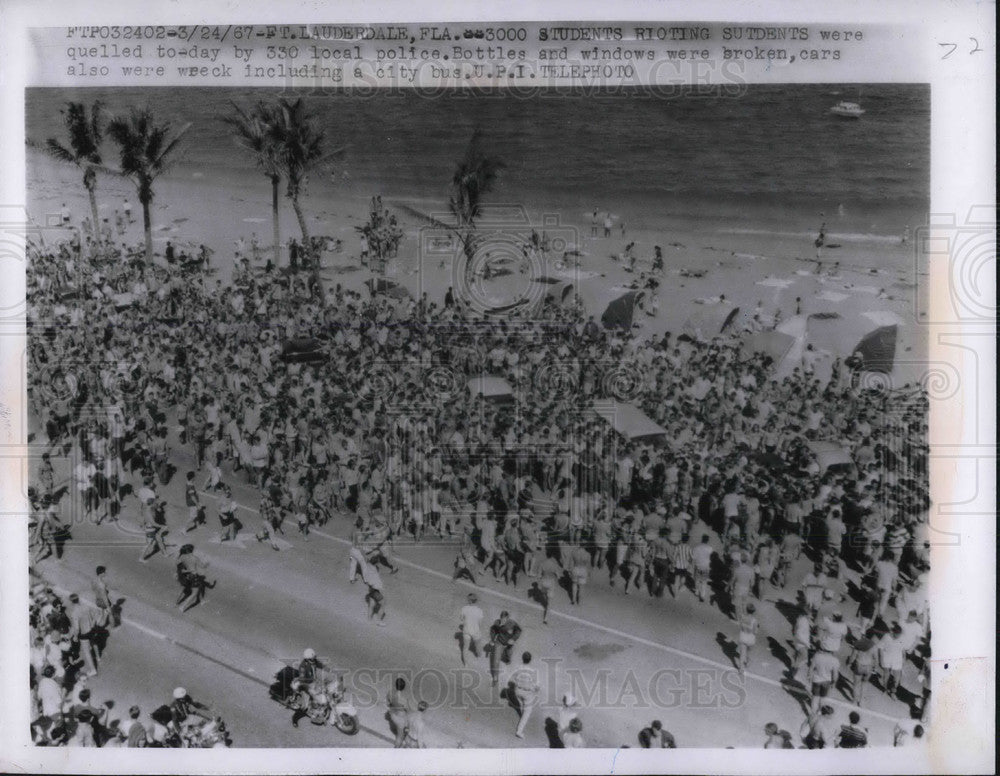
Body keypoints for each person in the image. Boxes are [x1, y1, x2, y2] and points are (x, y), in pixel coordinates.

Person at [291, 648, 325, 727]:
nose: (314, 659)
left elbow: (319, 664)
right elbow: (302, 679)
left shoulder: (313, 661)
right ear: (308, 659)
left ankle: (318, 708)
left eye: (314, 657)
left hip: (313, 682)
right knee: (304, 707)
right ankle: (294, 719)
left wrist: (329, 669)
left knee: (323, 692)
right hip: (305, 685)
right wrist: (310, 687)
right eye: (313, 658)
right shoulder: (303, 667)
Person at [488, 611, 522, 686]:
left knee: (508, 655)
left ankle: (508, 659)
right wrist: (492, 640)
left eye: (504, 619)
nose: (502, 621)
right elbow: (493, 631)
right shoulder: (497, 623)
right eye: (501, 619)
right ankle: (495, 679)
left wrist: (513, 639)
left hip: (509, 644)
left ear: (507, 618)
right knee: (496, 660)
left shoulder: (512, 623)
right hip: (499, 642)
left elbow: (518, 631)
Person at [176, 544, 213, 611]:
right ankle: (182, 606)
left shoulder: (182, 556)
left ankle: (202, 601)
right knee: (194, 593)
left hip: (187, 576)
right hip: (194, 576)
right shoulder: (195, 558)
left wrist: (186, 570)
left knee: (200, 585)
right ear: (191, 550)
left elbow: (177, 564)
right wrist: (207, 563)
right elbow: (202, 566)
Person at [511, 651, 539, 739]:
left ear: (522, 659)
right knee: (527, 711)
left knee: (523, 702)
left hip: (517, 691)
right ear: (530, 660)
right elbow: (537, 685)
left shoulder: (518, 668)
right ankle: (519, 731)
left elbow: (514, 678)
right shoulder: (533, 671)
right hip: (527, 694)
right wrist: (535, 690)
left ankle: (523, 707)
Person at [386, 677, 413, 747]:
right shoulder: (402, 699)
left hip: (392, 715)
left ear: (395, 685)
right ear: (403, 688)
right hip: (400, 719)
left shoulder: (390, 693)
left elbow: (388, 703)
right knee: (399, 737)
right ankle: (396, 750)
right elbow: (408, 710)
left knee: (401, 732)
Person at [459, 593, 484, 664]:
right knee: (478, 645)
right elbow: (480, 623)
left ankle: (465, 663)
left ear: (469, 601)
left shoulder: (464, 608)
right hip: (476, 631)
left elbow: (461, 618)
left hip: (466, 630)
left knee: (465, 647)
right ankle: (479, 656)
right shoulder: (479, 611)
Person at [737, 603, 759, 675]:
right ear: (754, 611)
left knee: (742, 654)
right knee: (749, 652)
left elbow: (740, 626)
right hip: (750, 638)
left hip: (743, 635)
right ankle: (747, 662)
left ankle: (741, 669)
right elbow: (755, 631)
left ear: (746, 610)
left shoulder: (742, 617)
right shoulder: (754, 621)